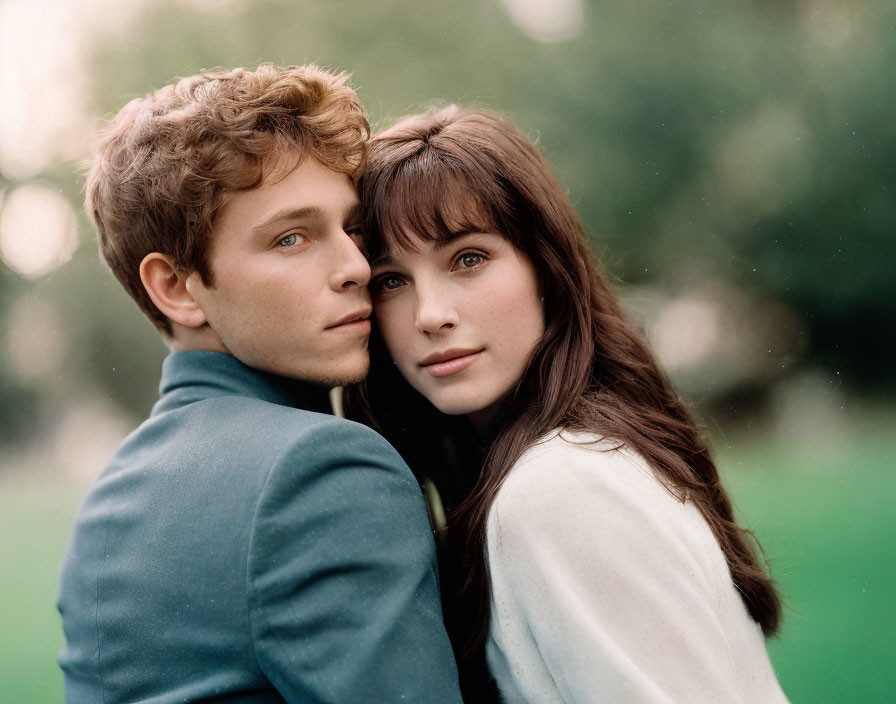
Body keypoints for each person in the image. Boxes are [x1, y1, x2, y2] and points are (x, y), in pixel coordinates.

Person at [346, 106, 790, 703]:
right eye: (390, 281)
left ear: (546, 268)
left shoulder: (559, 488)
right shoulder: (562, 465)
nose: (431, 315)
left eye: (468, 259)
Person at [56, 65, 463, 704]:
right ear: (177, 287)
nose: (357, 266)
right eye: (292, 238)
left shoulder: (107, 504)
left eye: (350, 227)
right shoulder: (325, 470)